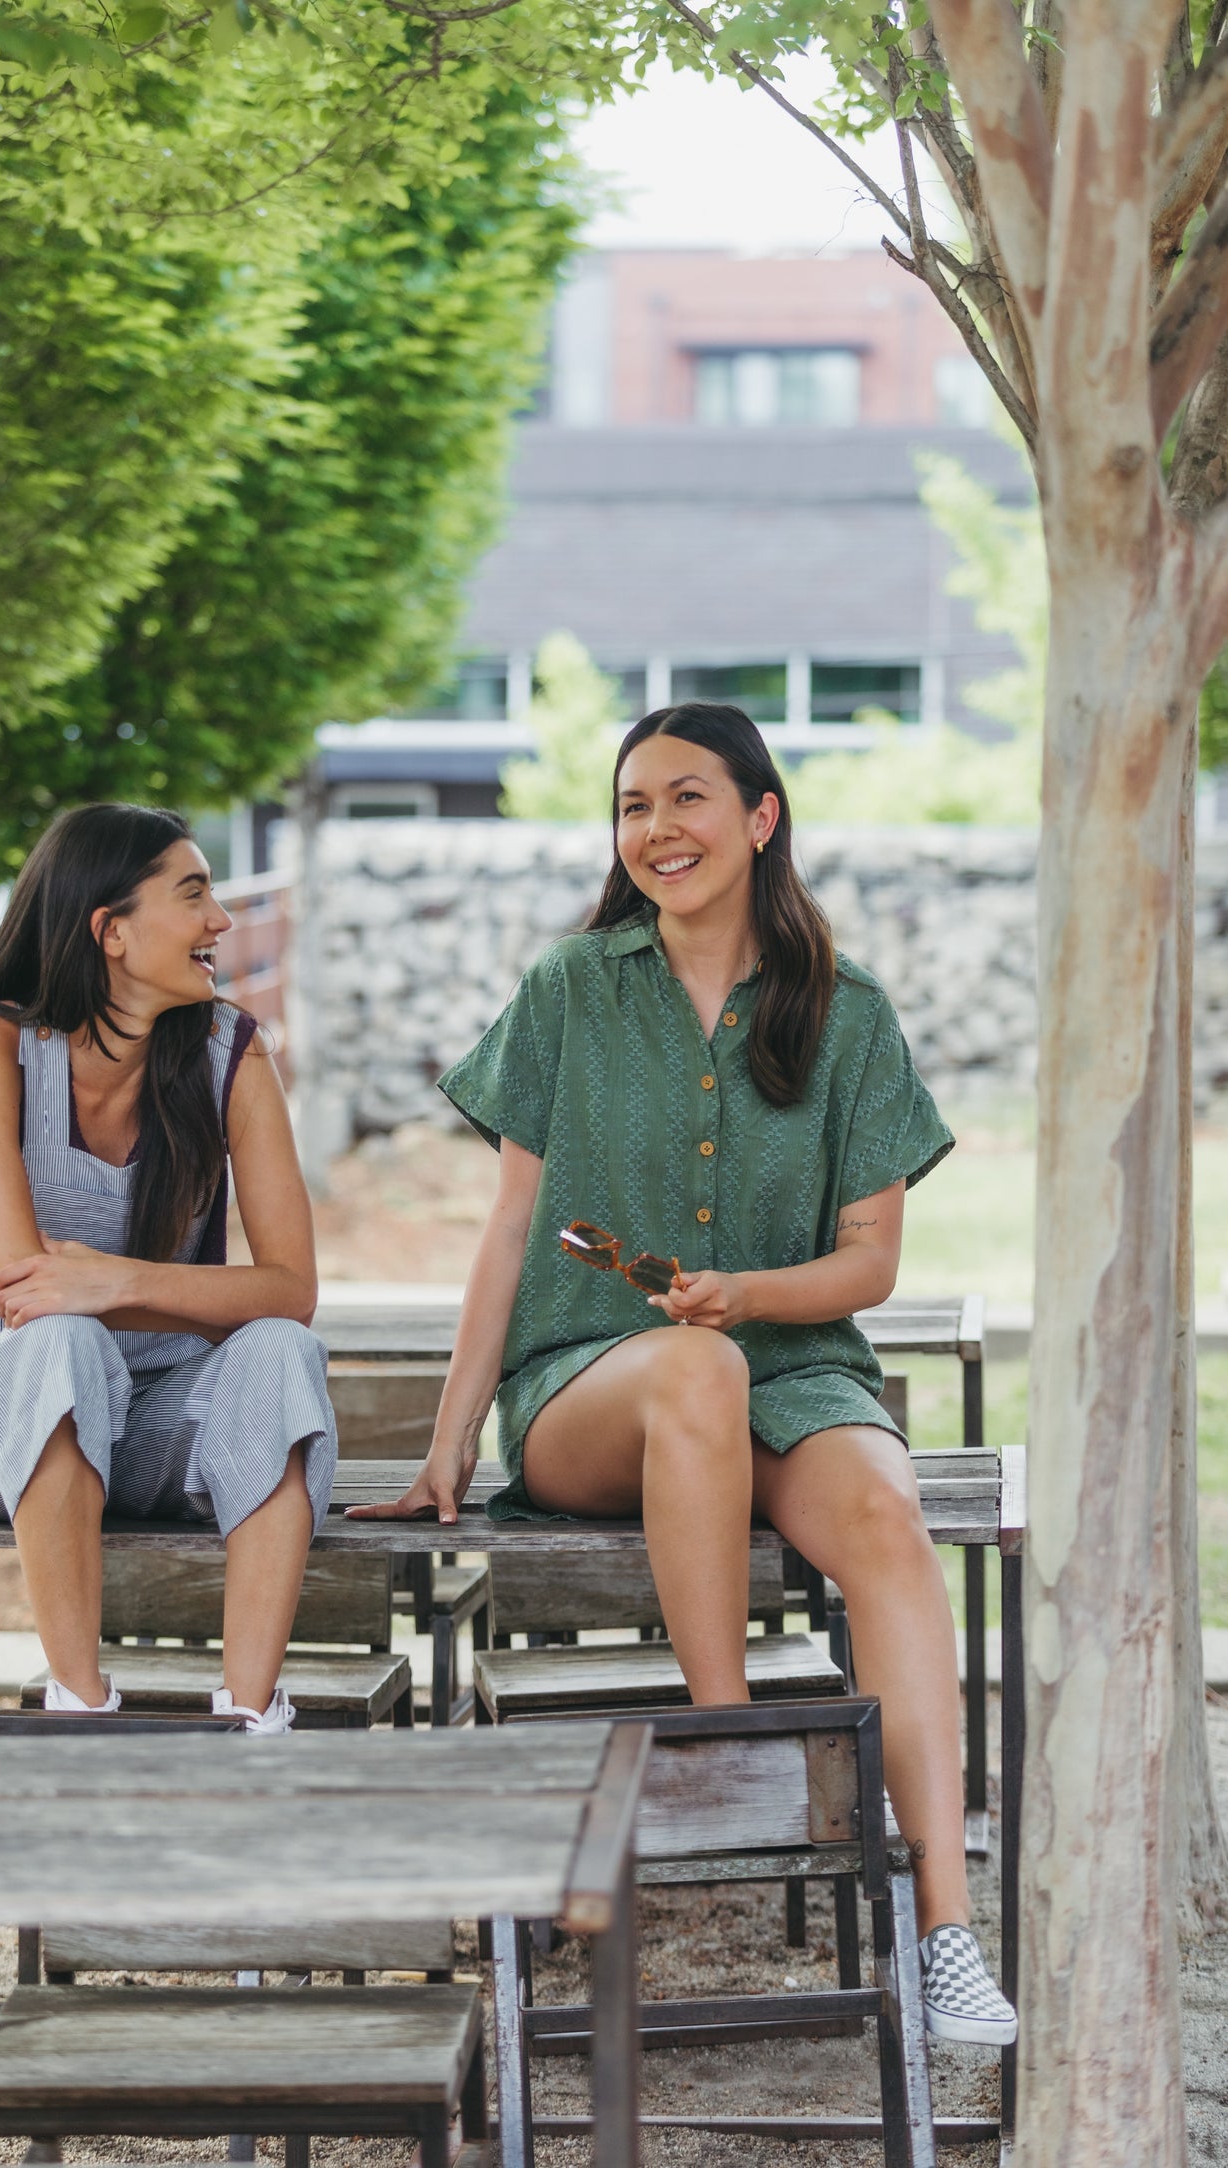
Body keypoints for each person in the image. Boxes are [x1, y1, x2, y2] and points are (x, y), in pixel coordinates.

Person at [349, 702, 1016, 2045]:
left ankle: (945, 1929)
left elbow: (869, 1262)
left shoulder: (849, 1015)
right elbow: (513, 1231)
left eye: (687, 798)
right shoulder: (569, 990)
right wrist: (445, 1445)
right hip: (592, 1391)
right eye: (632, 806)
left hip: (797, 1372)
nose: (656, 829)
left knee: (885, 1518)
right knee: (694, 1373)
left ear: (761, 818)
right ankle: (733, 1748)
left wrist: (745, 1296)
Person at [0, 804, 336, 1735]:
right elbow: (24, 1290)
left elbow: (289, 1291)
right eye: (193, 894)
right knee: (62, 1341)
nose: (220, 920)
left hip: (156, 1422)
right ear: (111, 931)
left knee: (277, 1354)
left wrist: (120, 1281)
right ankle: (82, 1706)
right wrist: (116, 1296)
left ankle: (252, 1719)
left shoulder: (228, 1052)